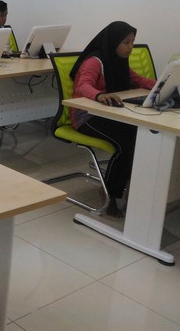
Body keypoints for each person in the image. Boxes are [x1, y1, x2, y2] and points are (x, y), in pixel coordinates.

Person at [69, 21, 156, 217]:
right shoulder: (95, 61)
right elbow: (83, 85)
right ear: (114, 41)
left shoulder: (118, 60)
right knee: (126, 143)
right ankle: (110, 193)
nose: (130, 47)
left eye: (132, 42)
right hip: (86, 116)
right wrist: (99, 95)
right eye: (126, 42)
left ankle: (130, 186)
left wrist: (162, 85)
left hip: (109, 112)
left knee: (142, 135)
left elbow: (138, 80)